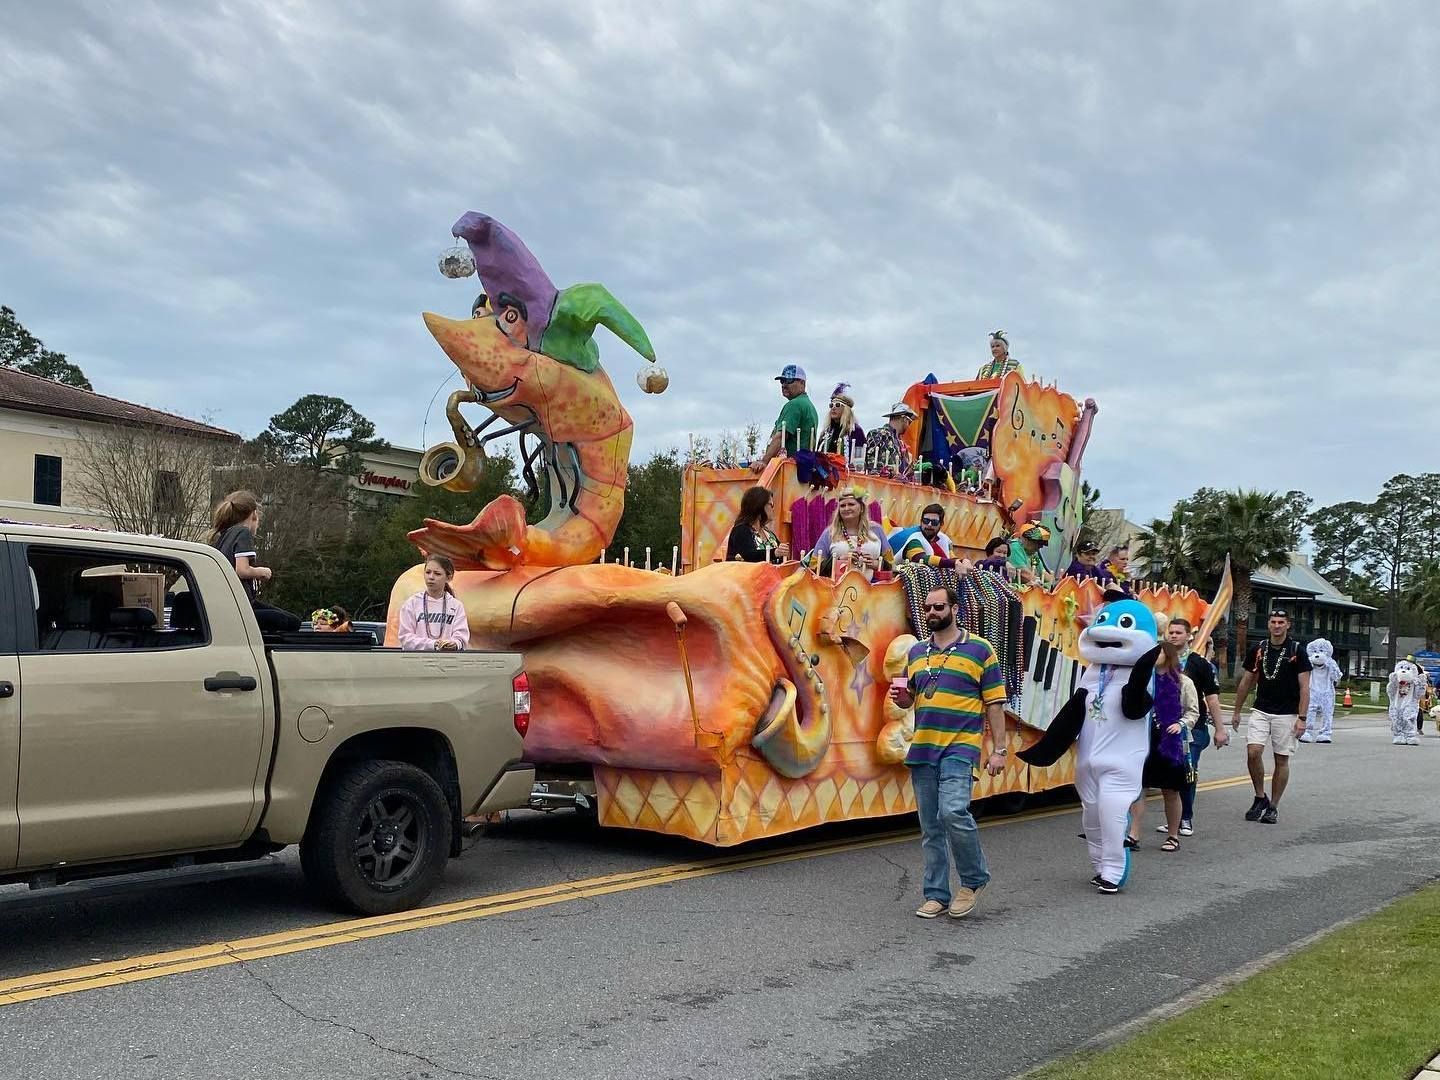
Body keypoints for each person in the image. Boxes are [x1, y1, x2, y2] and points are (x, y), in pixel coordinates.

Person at [889, 585, 1008, 919]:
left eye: (938, 606)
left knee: (953, 812)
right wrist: (903, 700)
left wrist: (999, 750)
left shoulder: (980, 650)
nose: (931, 613)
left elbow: (995, 703)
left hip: (961, 746)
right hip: (923, 747)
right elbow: (912, 696)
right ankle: (936, 894)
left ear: (956, 609)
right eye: (927, 607)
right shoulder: (916, 653)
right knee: (931, 827)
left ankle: (973, 879)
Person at [1230, 608, 1309, 824]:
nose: (1276, 626)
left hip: (1287, 713)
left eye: (1281, 622)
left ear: (1288, 625)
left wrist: (1302, 717)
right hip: (1261, 709)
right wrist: (1237, 711)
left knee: (1281, 759)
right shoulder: (1259, 649)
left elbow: (1305, 687)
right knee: (1253, 751)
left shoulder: (1296, 651)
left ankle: (1273, 805)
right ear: (1268, 624)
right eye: (1273, 621)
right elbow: (1247, 680)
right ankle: (1259, 796)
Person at [1129, 640, 1200, 851]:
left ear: (1168, 656)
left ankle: (1173, 835)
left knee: (1170, 791)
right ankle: (1133, 834)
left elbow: (1193, 712)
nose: (1152, 657)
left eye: (1157, 653)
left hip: (1169, 742)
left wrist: (1180, 724)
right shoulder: (1144, 681)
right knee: (1138, 789)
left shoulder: (1183, 682)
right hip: (1144, 739)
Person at [209, 490, 303, 634]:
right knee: (291, 622)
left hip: (231, 603)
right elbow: (242, 570)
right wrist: (262, 572)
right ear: (254, 514)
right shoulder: (242, 533)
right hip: (241, 605)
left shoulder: (223, 536)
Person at [806, 487, 891, 581]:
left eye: (851, 504)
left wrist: (878, 564)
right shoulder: (830, 533)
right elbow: (813, 567)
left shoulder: (877, 530)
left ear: (862, 507)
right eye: (842, 506)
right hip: (836, 592)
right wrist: (838, 561)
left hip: (871, 591)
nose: (846, 508)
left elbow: (891, 563)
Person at [753, 364, 818, 473]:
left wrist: (764, 462)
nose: (784, 385)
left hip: (789, 470)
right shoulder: (809, 406)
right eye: (782, 381)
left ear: (802, 383)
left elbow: (781, 436)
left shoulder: (795, 405)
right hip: (802, 469)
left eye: (789, 381)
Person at [398, 554, 471, 651]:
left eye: (437, 573)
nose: (431, 577)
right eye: (428, 572)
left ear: (448, 577)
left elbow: (461, 637)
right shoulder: (411, 603)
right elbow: (406, 638)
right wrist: (433, 644)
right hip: (416, 661)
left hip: (448, 661)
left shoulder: (456, 606)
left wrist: (454, 644)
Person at [726, 486, 791, 564]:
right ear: (760, 506)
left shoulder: (768, 533)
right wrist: (775, 553)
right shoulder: (741, 530)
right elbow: (748, 555)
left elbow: (780, 558)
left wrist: (783, 552)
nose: (773, 509)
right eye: (771, 505)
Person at [896, 504, 966, 571]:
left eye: (934, 522)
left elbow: (952, 558)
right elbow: (921, 558)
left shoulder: (944, 539)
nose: (929, 525)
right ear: (921, 521)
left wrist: (963, 562)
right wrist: (954, 563)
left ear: (941, 524)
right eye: (926, 521)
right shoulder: (914, 537)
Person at [816, 384, 865, 467]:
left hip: (846, 475)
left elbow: (859, 460)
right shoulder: (826, 433)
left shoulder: (855, 431)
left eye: (837, 405)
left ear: (846, 409)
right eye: (831, 405)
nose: (833, 408)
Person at [864, 402, 917, 476]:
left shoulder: (900, 443)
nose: (908, 426)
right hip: (878, 484)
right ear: (904, 419)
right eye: (909, 422)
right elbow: (871, 464)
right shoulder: (877, 434)